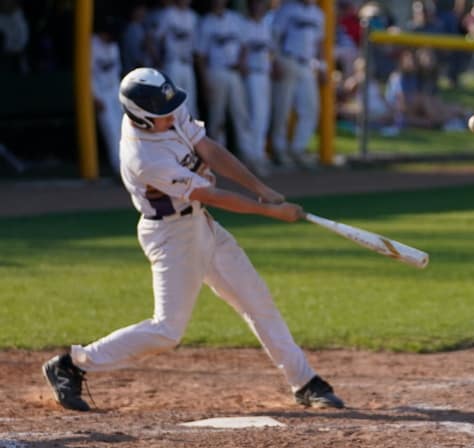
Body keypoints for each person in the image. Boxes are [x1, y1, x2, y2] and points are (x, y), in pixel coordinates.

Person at [41, 67, 344, 413]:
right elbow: (210, 194)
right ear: (140, 118)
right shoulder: (144, 158)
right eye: (162, 114)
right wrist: (270, 212)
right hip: (171, 237)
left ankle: (304, 381)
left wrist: (261, 188)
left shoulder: (166, 110)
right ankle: (72, 365)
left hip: (199, 223)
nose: (172, 116)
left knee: (257, 299)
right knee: (167, 330)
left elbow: (209, 149)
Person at [195, 0, 254, 164]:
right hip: (216, 71)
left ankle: (247, 152)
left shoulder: (235, 19)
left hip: (234, 72)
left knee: (240, 113)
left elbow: (244, 45)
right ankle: (218, 157)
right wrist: (204, 81)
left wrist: (242, 62)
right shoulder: (206, 22)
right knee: (217, 116)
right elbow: (200, 56)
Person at [270, 0, 326, 169]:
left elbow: (320, 43)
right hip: (288, 59)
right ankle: (279, 149)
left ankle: (298, 149)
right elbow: (274, 36)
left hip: (307, 64)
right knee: (282, 109)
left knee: (311, 109)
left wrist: (322, 67)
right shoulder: (287, 9)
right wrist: (275, 60)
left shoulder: (318, 13)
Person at [242, 0, 275, 177]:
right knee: (254, 115)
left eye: (262, 4)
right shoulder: (244, 25)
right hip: (251, 75)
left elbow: (270, 51)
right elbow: (242, 51)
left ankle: (259, 153)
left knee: (263, 116)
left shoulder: (266, 24)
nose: (259, 7)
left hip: (264, 74)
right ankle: (252, 155)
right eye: (256, 4)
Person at [156, 0, 199, 117]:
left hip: (188, 64)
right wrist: (157, 59)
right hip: (172, 63)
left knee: (190, 103)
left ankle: (189, 129)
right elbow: (155, 37)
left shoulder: (193, 16)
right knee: (171, 100)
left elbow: (196, 46)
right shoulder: (168, 14)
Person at [92, 17, 123, 175]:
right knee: (111, 131)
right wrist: (94, 96)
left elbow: (116, 71)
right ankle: (118, 168)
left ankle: (129, 167)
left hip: (114, 90)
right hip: (101, 93)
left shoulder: (113, 45)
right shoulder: (91, 45)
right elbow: (87, 75)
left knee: (123, 128)